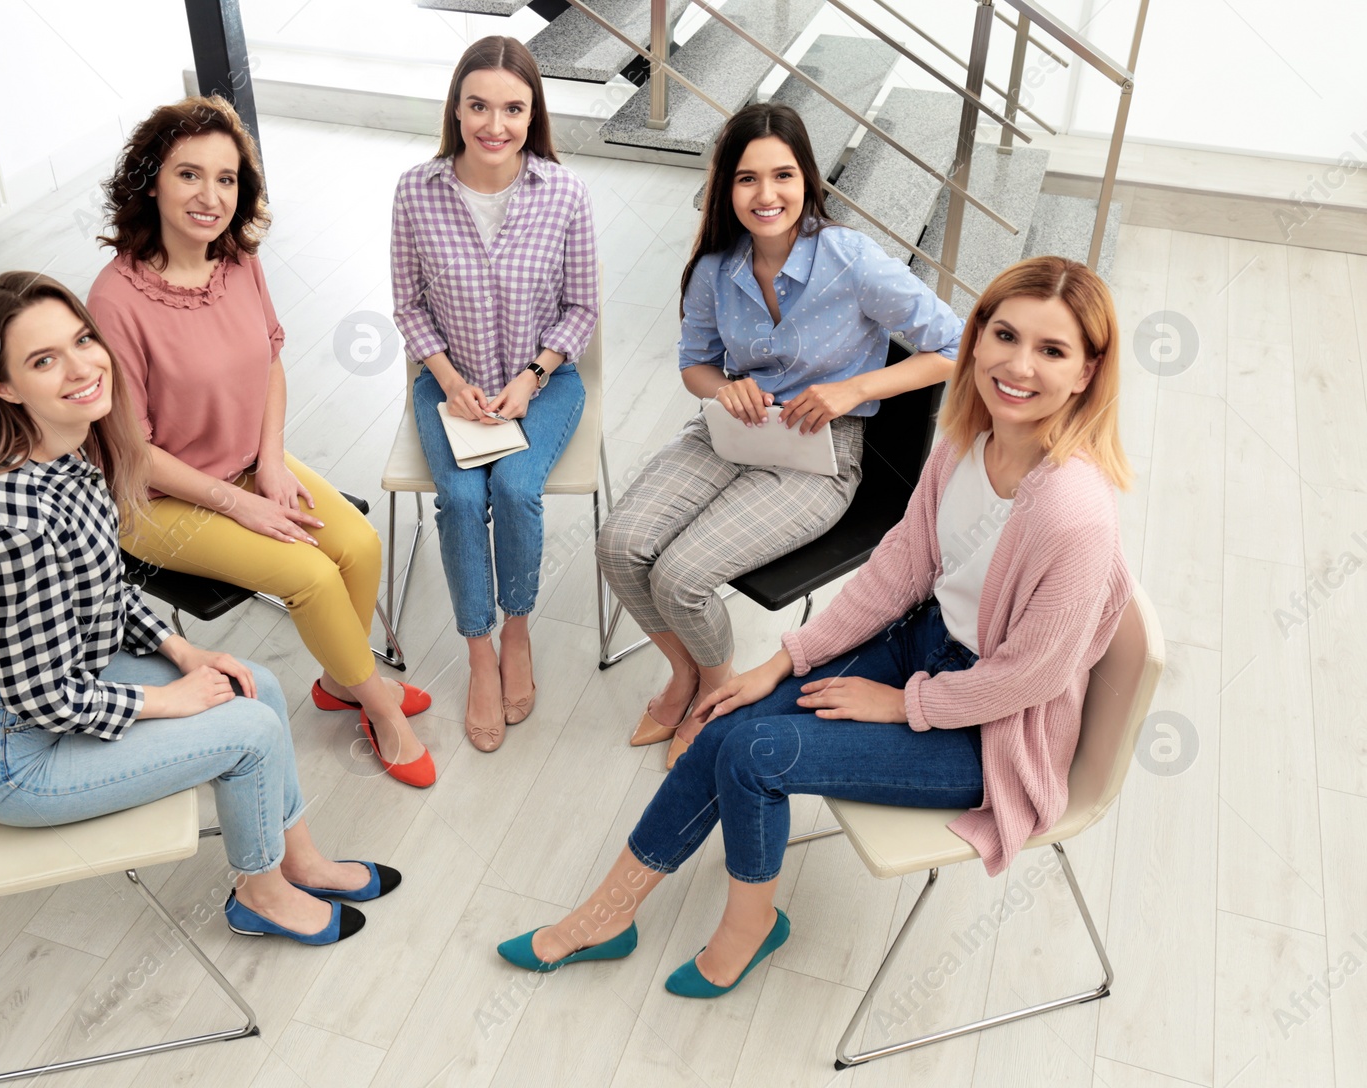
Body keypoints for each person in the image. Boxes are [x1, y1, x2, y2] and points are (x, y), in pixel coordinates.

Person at [499, 255, 1134, 995]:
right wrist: (786, 659)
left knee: (754, 754)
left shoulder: (1073, 511)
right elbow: (903, 563)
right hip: (922, 649)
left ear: (1088, 371)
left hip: (991, 731)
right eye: (1004, 334)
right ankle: (610, 912)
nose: (1018, 364)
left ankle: (749, 927)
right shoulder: (969, 440)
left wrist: (906, 705)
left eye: (1052, 351)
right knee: (725, 714)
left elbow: (1035, 676)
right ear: (978, 338)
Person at [0, 273, 402, 947]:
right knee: (249, 733)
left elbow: (106, 592)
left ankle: (298, 859)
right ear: (2, 386)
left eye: (82, 341)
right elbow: (44, 698)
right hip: (13, 758)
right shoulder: (18, 520)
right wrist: (170, 701)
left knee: (256, 685)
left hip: (67, 690)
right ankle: (262, 895)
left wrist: (183, 652)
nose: (81, 368)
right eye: (43, 361)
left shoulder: (71, 458)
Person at [595, 102, 965, 767]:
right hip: (730, 433)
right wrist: (722, 386)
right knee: (619, 545)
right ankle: (685, 674)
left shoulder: (850, 260)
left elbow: (957, 344)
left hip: (818, 458)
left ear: (808, 180)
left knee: (681, 575)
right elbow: (694, 365)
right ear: (725, 188)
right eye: (746, 179)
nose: (766, 195)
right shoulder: (717, 268)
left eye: (783, 176)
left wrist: (856, 388)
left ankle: (716, 691)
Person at [87, 96, 435, 789]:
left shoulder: (239, 262)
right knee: (309, 575)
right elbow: (132, 450)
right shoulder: (115, 299)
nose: (209, 196)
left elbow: (270, 362)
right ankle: (379, 707)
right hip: (157, 498)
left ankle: (342, 681)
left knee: (359, 546)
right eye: (189, 175)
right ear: (151, 180)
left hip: (248, 461)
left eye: (226, 178)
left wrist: (270, 463)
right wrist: (239, 504)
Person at [391, 35, 599, 753]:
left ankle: (518, 630)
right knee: (459, 498)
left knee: (513, 490)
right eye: (478, 105)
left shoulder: (563, 192)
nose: (494, 124)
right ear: (455, 107)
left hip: (544, 384)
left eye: (513, 108)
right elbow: (408, 306)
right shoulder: (416, 192)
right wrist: (449, 383)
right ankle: (478, 654)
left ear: (533, 112)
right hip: (447, 384)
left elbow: (582, 309)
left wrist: (532, 376)